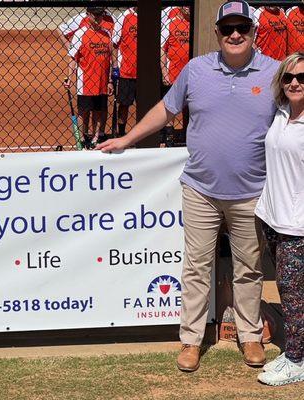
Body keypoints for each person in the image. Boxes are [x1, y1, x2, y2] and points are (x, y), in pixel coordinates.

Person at [97, 0, 280, 372]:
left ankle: (249, 336)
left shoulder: (274, 74)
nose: (234, 35)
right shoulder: (196, 70)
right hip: (201, 190)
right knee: (196, 266)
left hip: (252, 191)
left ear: (253, 33)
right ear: (216, 33)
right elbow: (167, 109)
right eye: (227, 28)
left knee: (249, 267)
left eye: (241, 28)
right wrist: (128, 138)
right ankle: (191, 341)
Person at [255, 52, 304, 386]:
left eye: (301, 77)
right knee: (292, 290)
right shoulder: (281, 113)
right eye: (288, 78)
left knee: (291, 291)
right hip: (272, 217)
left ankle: (297, 359)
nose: (295, 83)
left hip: (297, 224)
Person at [64, 6, 114, 149]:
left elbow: (109, 59)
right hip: (85, 81)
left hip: (103, 80)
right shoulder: (80, 34)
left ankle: (97, 137)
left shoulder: (106, 34)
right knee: (83, 112)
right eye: (95, 15)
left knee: (99, 111)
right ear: (88, 15)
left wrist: (110, 80)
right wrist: (69, 77)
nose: (98, 19)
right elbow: (73, 58)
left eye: (100, 15)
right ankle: (84, 136)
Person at [160, 7, 190, 147]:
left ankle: (187, 135)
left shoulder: (196, 23)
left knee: (190, 107)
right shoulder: (170, 23)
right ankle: (169, 137)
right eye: (185, 5)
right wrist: (164, 72)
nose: (188, 8)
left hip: (192, 74)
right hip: (173, 72)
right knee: (171, 106)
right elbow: (162, 49)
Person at [112, 7, 137, 138]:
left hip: (145, 72)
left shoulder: (153, 16)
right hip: (126, 71)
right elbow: (114, 44)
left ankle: (143, 134)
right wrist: (115, 66)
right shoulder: (123, 17)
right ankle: (121, 133)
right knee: (124, 105)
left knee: (148, 105)